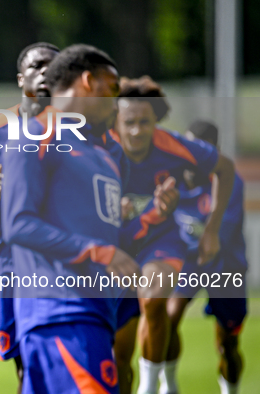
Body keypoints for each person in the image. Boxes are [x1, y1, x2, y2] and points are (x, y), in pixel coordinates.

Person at [0, 44, 141, 394]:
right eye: (112, 88)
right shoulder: (35, 136)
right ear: (88, 81)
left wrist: (151, 218)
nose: (116, 100)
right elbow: (17, 223)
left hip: (94, 315)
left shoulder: (104, 154)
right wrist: (99, 252)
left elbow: (104, 236)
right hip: (61, 314)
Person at [110, 77, 235, 394]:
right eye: (129, 122)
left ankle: (152, 388)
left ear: (157, 121)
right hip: (114, 246)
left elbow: (225, 168)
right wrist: (109, 208)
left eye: (145, 122)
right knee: (118, 354)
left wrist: (212, 230)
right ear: (115, 121)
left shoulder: (174, 144)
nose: (137, 130)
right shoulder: (98, 147)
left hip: (159, 241)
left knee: (154, 299)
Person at [0, 41, 59, 391]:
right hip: (13, 263)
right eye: (36, 66)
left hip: (71, 262)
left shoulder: (84, 129)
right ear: (21, 79)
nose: (45, 72)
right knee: (26, 368)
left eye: (54, 66)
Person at [160, 120, 247, 394]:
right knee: (167, 319)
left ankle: (230, 389)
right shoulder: (169, 179)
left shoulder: (229, 183)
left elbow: (219, 237)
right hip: (187, 264)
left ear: (216, 151)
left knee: (227, 344)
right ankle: (168, 385)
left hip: (225, 266)